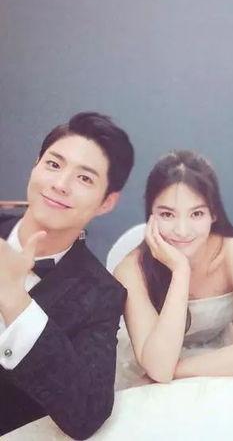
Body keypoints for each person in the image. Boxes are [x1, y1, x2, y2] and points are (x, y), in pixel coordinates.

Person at [0, 112, 134, 438]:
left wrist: (15, 300)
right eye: (53, 164)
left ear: (107, 202)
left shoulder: (101, 293)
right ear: (35, 166)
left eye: (84, 178)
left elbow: (87, 414)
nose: (60, 185)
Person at [114, 150, 233, 383]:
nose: (182, 231)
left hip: (220, 363)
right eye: (167, 214)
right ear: (150, 215)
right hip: (150, 367)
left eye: (196, 213)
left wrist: (174, 371)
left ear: (214, 213)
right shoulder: (130, 270)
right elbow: (159, 367)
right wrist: (180, 272)